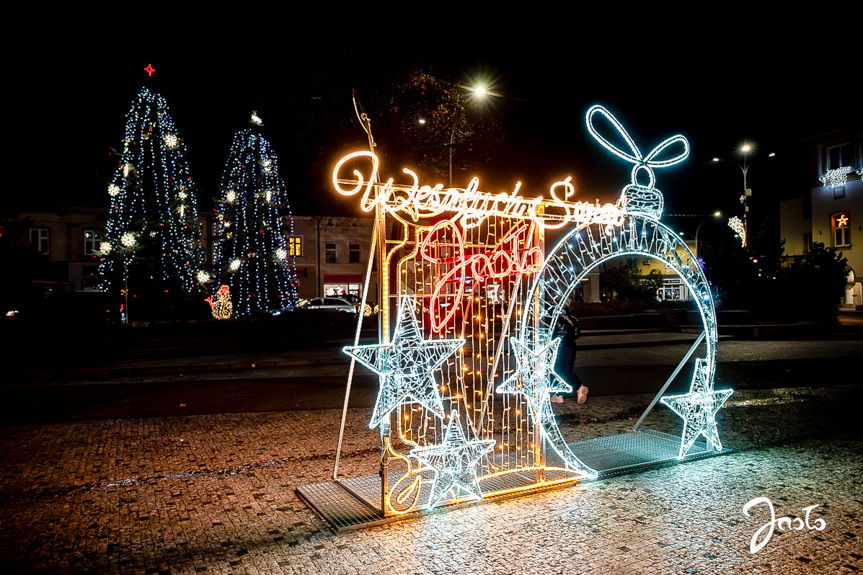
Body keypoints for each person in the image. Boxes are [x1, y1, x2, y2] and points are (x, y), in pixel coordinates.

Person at [552, 306, 588, 404]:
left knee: (558, 371)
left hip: (560, 348)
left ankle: (560, 395)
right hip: (571, 347)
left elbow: (554, 336)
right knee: (567, 371)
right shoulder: (572, 319)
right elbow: (577, 335)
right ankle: (579, 389)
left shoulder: (557, 321)